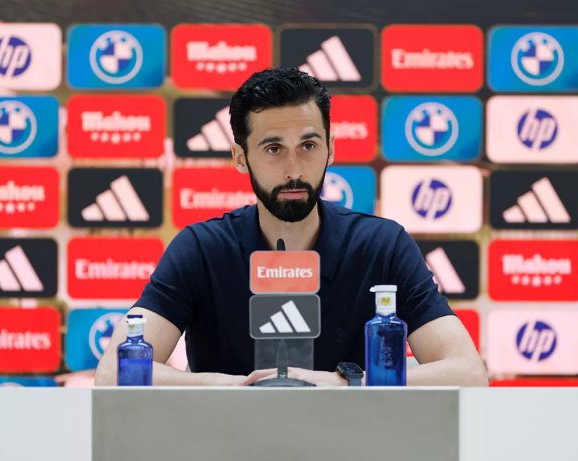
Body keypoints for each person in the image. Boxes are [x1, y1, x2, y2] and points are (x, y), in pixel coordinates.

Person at [95, 67, 487, 387]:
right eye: (273, 149)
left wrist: (347, 384)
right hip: (229, 443)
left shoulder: (381, 244)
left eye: (308, 146)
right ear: (240, 157)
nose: (294, 169)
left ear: (331, 148)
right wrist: (234, 388)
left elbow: (468, 373)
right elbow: (113, 373)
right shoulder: (201, 247)